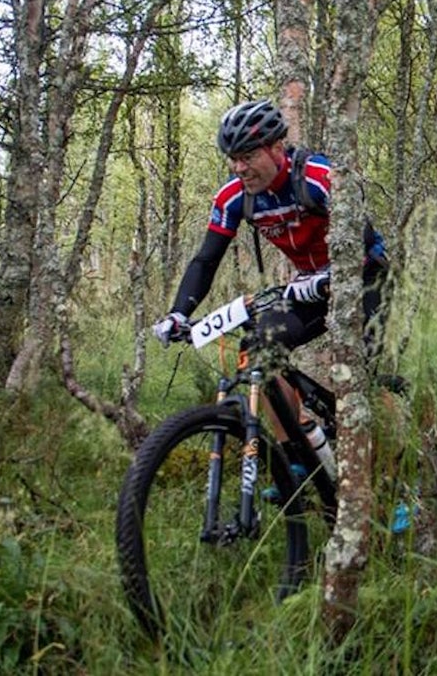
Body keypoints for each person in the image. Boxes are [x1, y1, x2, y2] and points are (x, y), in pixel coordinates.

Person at [152, 100, 391, 474]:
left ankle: (389, 477)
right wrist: (179, 313)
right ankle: (298, 459)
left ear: (277, 148)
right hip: (308, 287)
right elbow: (206, 260)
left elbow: (360, 238)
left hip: (364, 279)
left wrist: (330, 276)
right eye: (233, 159)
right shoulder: (235, 197)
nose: (239, 167)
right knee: (258, 351)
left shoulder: (319, 176)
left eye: (247, 157)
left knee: (362, 375)